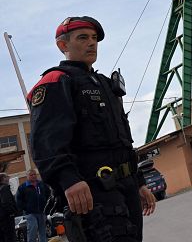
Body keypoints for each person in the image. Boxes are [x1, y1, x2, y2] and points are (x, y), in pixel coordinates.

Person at [27, 16, 156, 241]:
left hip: (125, 188)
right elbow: (46, 140)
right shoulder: (57, 81)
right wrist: (68, 179)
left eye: (94, 38)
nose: (91, 43)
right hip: (92, 192)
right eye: (83, 37)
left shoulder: (104, 84)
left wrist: (139, 183)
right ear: (63, 45)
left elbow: (122, 140)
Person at [15, 169, 49, 242]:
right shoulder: (22, 187)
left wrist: (47, 206)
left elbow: (48, 194)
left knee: (42, 230)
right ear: (27, 176)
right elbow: (18, 200)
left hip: (42, 211)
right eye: (31, 175)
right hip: (30, 213)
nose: (33, 176)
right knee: (33, 228)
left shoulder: (41, 184)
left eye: (34, 174)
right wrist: (25, 208)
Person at [0, 173, 18, 242]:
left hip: (2, 218)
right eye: (7, 177)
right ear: (3, 178)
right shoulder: (4, 188)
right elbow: (6, 202)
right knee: (10, 237)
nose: (9, 178)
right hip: (7, 218)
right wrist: (12, 212)